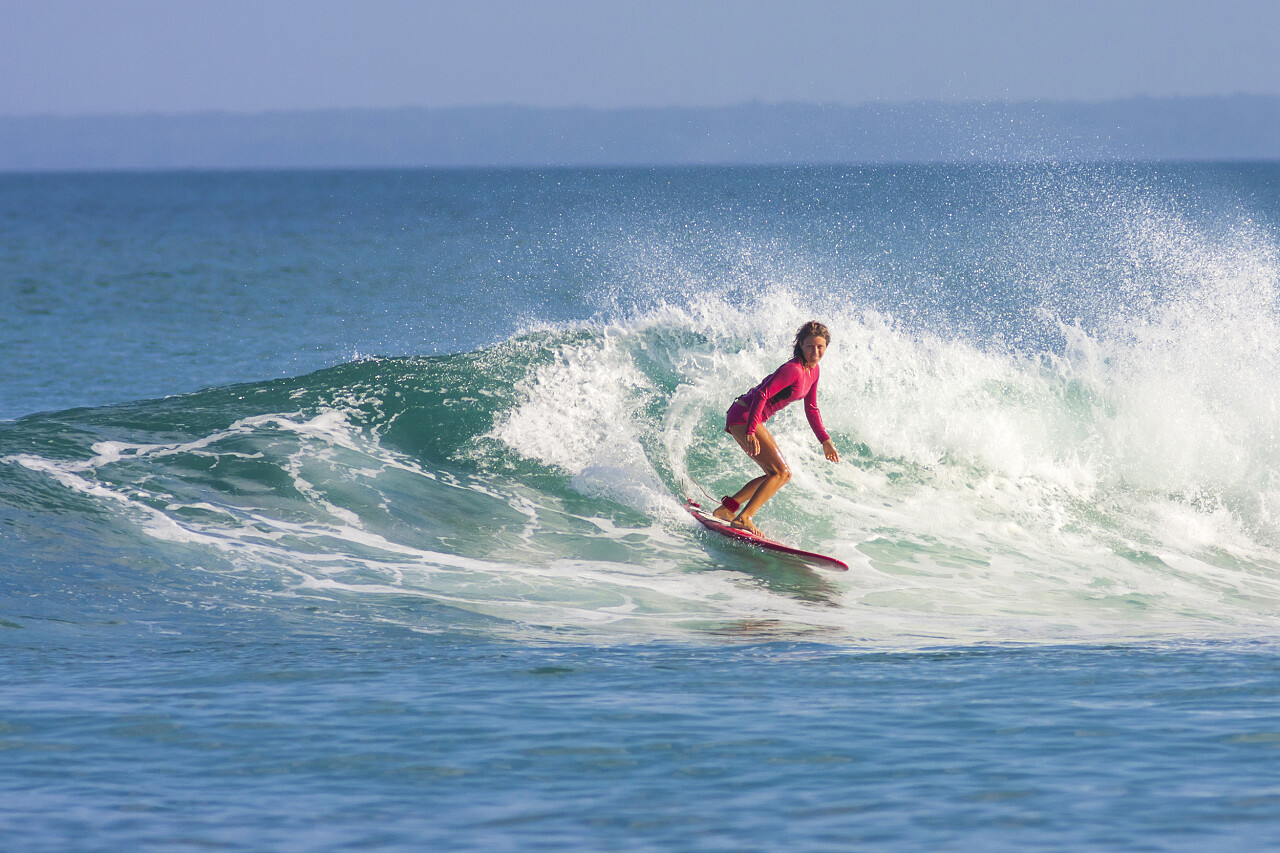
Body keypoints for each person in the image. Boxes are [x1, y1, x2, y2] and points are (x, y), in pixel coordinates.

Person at [714, 320, 840, 535]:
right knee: (782, 473)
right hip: (744, 416)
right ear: (800, 345)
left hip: (747, 417)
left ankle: (728, 510)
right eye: (810, 346)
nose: (815, 351)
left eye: (820, 346)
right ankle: (744, 517)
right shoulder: (794, 370)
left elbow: (811, 407)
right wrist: (751, 430)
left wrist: (825, 441)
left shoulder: (813, 371)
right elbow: (763, 394)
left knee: (773, 475)